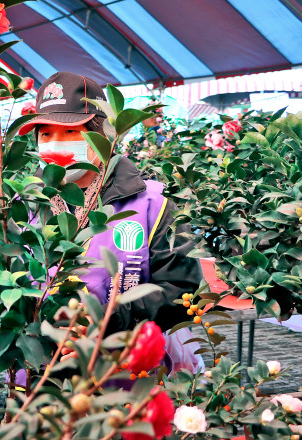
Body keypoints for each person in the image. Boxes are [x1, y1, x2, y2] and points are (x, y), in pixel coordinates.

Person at [16, 71, 203, 373]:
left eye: (71, 132)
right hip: (44, 376)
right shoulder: (24, 207)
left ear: (103, 134)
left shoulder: (151, 205)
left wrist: (107, 319)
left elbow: (181, 290)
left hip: (128, 375)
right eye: (46, 133)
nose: (55, 144)